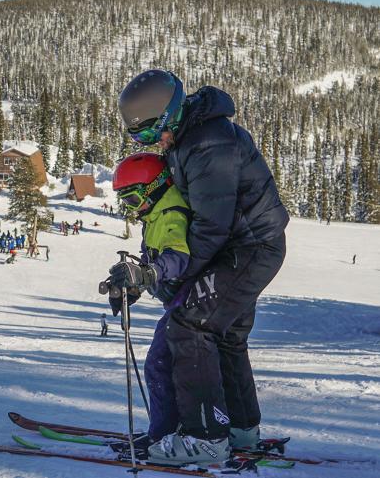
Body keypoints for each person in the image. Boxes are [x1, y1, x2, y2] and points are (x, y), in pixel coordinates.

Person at [117, 69, 288, 464]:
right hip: (243, 248)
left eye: (149, 134)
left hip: (248, 249)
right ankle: (240, 431)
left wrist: (170, 276)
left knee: (190, 325)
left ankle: (206, 438)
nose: (152, 144)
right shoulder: (188, 138)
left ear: (170, 116)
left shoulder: (208, 144)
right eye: (138, 139)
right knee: (224, 336)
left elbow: (211, 227)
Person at [107, 152, 191, 450]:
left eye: (131, 199)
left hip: (188, 303)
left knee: (159, 363)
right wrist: (133, 285)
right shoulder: (155, 215)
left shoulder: (171, 215)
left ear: (153, 187)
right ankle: (170, 428)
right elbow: (150, 258)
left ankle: (165, 432)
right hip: (178, 304)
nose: (130, 208)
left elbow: (178, 257)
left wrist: (150, 273)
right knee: (166, 365)